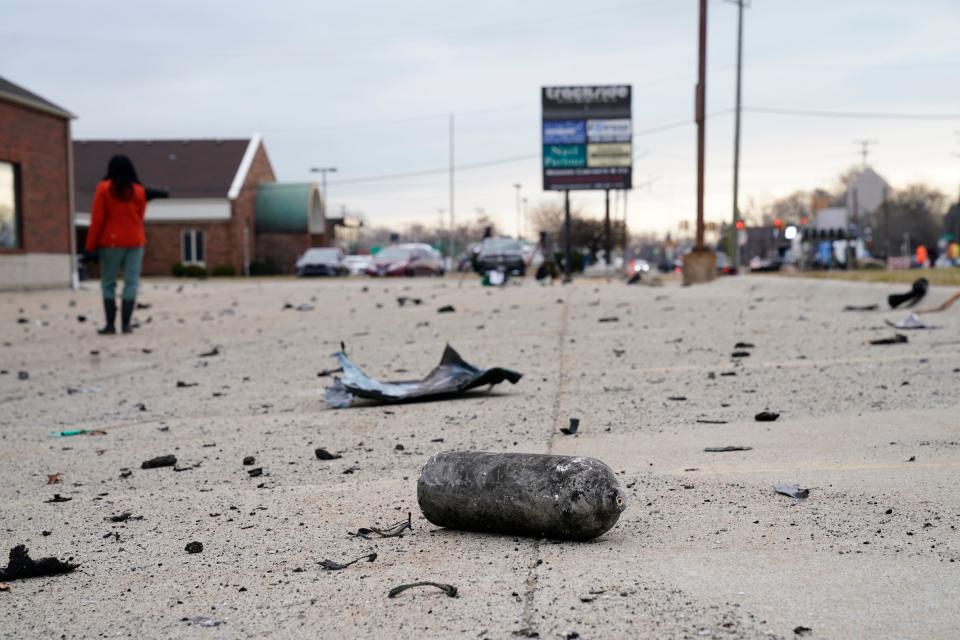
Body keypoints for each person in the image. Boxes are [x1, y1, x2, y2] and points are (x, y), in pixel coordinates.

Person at [85, 155, 147, 334]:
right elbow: (140, 216)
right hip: (135, 241)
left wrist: (90, 246)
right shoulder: (139, 191)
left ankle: (110, 324)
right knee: (131, 282)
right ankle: (126, 324)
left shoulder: (104, 189)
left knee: (108, 282)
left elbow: (97, 220)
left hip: (111, 242)